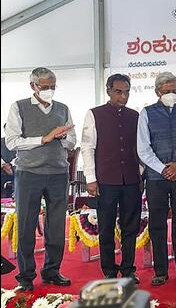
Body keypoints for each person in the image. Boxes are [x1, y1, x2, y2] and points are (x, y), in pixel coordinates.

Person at [5, 67, 76, 291]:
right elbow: (12, 142)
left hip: (58, 173)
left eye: (52, 86)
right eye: (44, 87)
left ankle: (52, 271)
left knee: (56, 226)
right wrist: (44, 138)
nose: (49, 90)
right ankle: (25, 276)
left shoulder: (63, 108)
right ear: (32, 86)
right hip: (29, 173)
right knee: (26, 225)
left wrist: (63, 137)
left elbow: (72, 142)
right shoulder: (19, 107)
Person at [137, 72, 176, 286]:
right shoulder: (146, 113)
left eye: (174, 90)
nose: (171, 94)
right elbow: (143, 149)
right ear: (157, 92)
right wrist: (164, 169)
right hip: (156, 179)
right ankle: (160, 271)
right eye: (167, 91)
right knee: (157, 225)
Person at [81, 74, 141, 283]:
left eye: (126, 92)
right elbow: (88, 148)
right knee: (106, 227)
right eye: (118, 92)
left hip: (132, 181)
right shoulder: (94, 114)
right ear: (108, 90)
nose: (122, 96)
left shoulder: (135, 115)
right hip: (105, 180)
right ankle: (108, 270)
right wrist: (91, 178)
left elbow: (140, 148)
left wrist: (141, 173)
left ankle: (128, 269)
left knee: (130, 227)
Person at [1, 126, 16, 198]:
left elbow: (22, 155)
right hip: (2, 167)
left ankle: (16, 195)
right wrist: (4, 165)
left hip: (15, 166)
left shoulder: (19, 141)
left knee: (21, 172)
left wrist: (10, 165)